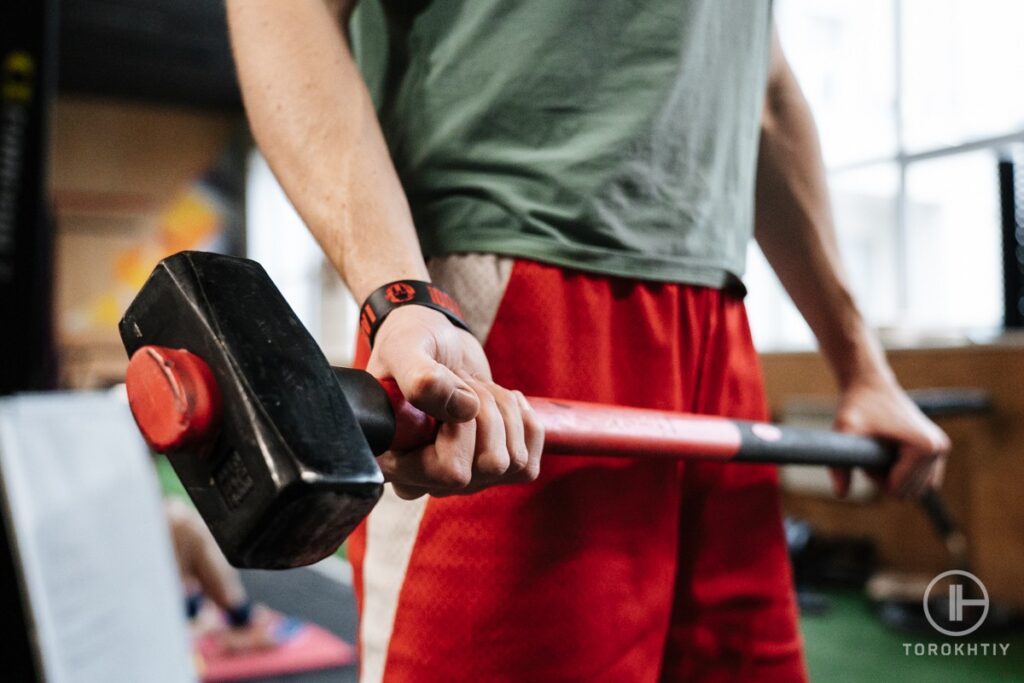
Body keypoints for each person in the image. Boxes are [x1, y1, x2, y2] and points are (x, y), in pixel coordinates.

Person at [225, 1, 951, 680]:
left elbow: (765, 88)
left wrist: (864, 367)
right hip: (505, 315)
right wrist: (402, 292)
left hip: (716, 330)